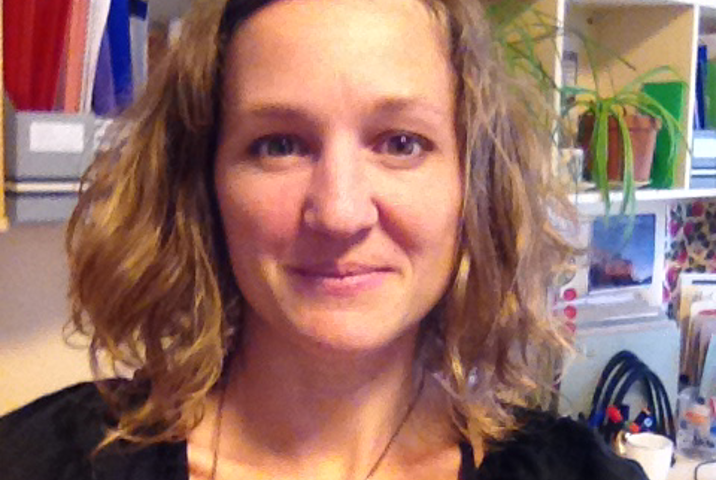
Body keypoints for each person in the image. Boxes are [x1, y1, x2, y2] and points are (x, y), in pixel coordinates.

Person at [0, 0, 648, 479]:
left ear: (473, 185)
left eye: (401, 143)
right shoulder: (35, 462)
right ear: (202, 185)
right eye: (279, 145)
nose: (339, 212)